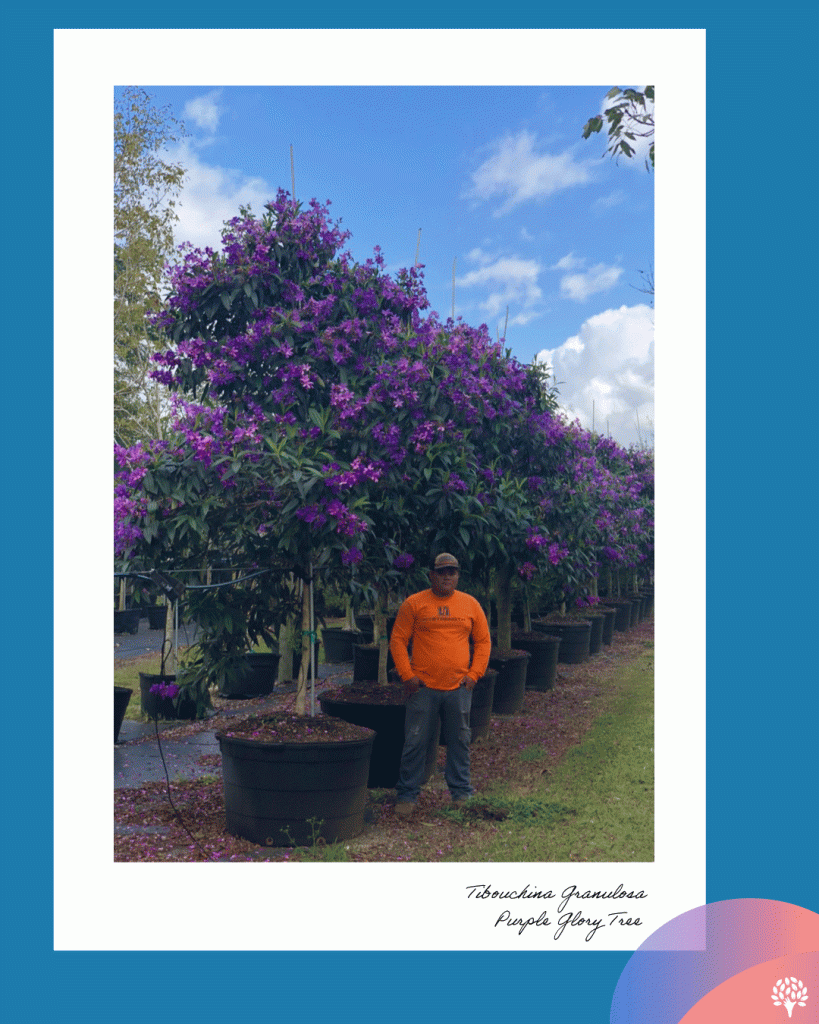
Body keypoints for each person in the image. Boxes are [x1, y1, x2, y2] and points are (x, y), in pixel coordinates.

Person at [389, 552, 491, 818]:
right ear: (431, 575)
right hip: (422, 688)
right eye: (442, 572)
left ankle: (461, 793)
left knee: (460, 740)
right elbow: (398, 640)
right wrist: (407, 675)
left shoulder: (470, 605)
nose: (447, 577)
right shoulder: (414, 604)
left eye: (452, 572)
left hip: (459, 687)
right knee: (415, 740)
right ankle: (407, 795)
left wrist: (474, 674)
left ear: (458, 575)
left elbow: (483, 642)